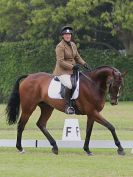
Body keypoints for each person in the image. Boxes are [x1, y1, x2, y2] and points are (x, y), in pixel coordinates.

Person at [53, 26, 91, 114]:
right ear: (62, 36)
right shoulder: (60, 46)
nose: (68, 36)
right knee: (69, 85)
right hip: (62, 72)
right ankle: (67, 106)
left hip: (73, 70)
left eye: (69, 34)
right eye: (66, 34)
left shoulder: (73, 44)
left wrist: (84, 64)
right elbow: (60, 61)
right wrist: (72, 67)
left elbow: (77, 57)